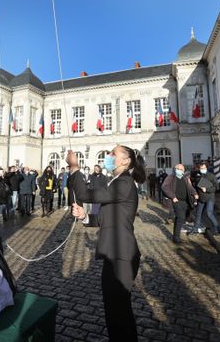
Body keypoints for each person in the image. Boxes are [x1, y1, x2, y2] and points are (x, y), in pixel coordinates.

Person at [67, 146, 145, 342]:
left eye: (113, 154)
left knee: (120, 313)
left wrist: (75, 167)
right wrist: (86, 216)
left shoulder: (124, 183)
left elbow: (86, 194)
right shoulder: (117, 181)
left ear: (126, 161)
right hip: (114, 254)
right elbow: (106, 219)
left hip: (122, 255)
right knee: (113, 310)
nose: (108, 157)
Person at [161, 164, 198, 243]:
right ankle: (176, 237)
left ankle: (175, 236)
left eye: (181, 169)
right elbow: (164, 187)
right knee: (180, 217)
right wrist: (173, 196)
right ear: (175, 169)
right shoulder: (171, 177)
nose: (179, 170)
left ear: (183, 171)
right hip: (176, 201)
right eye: (178, 169)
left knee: (181, 218)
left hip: (185, 201)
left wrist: (195, 193)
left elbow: (190, 187)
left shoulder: (185, 178)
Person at [193, 162, 220, 234]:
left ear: (206, 168)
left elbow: (217, 187)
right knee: (198, 213)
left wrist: (207, 189)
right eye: (201, 168)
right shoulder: (197, 175)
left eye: (204, 168)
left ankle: (216, 228)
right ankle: (195, 228)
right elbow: (195, 185)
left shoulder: (211, 176)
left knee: (209, 213)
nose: (202, 169)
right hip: (201, 198)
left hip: (210, 198)